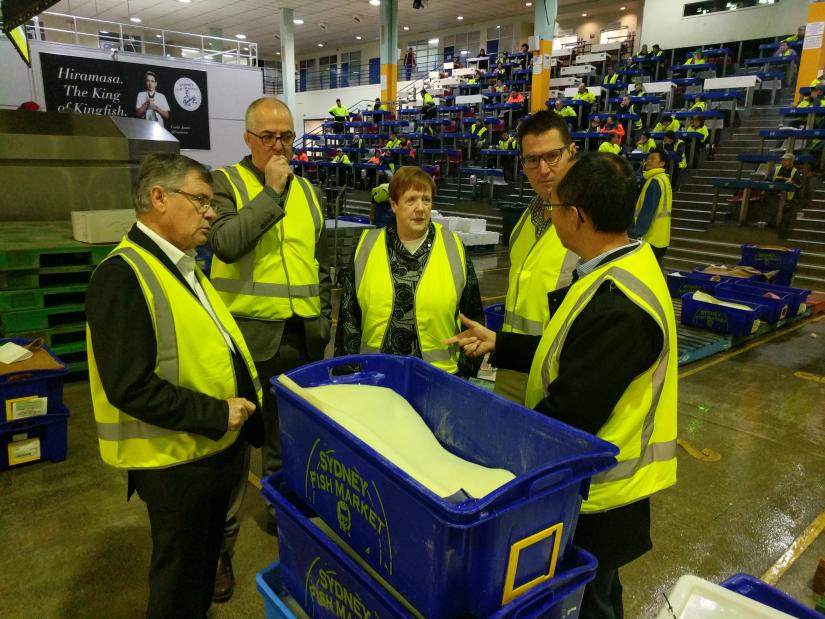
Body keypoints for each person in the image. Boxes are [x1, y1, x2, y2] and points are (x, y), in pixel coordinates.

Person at [446, 151, 678, 619]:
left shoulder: (620, 305)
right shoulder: (615, 268)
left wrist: (487, 453)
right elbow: (574, 354)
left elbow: (568, 415)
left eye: (555, 206)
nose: (549, 213)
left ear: (578, 216)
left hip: (599, 497)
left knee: (589, 603)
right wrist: (501, 344)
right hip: (591, 489)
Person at [86, 153, 264, 618]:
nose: (211, 212)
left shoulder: (180, 266)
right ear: (159, 198)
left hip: (205, 453)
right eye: (200, 200)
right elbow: (130, 386)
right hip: (176, 464)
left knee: (198, 576)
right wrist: (216, 413)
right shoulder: (123, 275)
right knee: (179, 585)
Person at [208, 97, 332, 595]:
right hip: (243, 340)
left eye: (286, 136)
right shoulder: (225, 184)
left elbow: (314, 259)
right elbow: (224, 242)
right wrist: (272, 192)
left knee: (288, 440)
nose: (279, 146)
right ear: (248, 139)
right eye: (268, 137)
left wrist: (322, 319)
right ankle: (220, 548)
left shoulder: (311, 193)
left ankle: (285, 520)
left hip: (300, 337)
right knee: (233, 448)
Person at [335, 166, 483, 377]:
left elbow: (473, 313)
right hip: (376, 375)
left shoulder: (454, 246)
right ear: (394, 204)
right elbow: (349, 318)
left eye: (426, 200)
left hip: (439, 376)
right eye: (411, 200)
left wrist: (466, 370)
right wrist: (349, 374)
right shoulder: (366, 246)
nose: (420, 208)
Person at [494, 111, 577, 404]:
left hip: (558, 377)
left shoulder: (590, 226)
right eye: (532, 160)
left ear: (572, 152)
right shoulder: (523, 223)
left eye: (552, 156)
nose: (543, 169)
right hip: (512, 368)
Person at [631, 148, 672, 265]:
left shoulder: (655, 182)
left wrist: (636, 234)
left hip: (650, 238)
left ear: (662, 163)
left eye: (653, 159)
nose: (648, 161)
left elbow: (647, 211)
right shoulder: (664, 179)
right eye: (648, 158)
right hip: (661, 237)